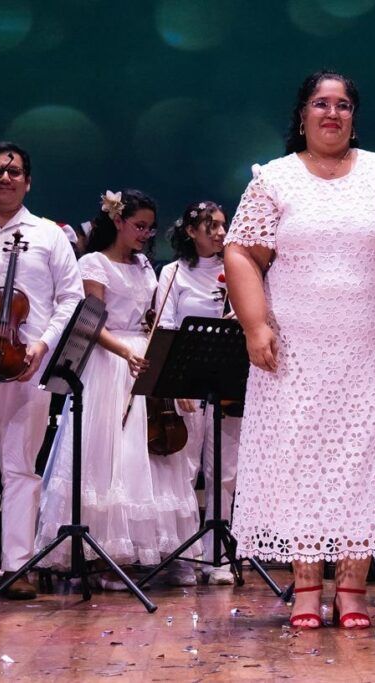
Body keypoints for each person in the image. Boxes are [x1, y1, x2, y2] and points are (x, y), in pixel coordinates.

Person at [223, 70, 375, 629]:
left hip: (370, 347)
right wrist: (255, 325)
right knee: (299, 460)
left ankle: (352, 588)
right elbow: (242, 251)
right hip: (293, 348)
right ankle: (304, 587)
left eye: (343, 105)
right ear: (302, 115)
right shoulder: (274, 178)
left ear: (354, 117)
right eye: (321, 103)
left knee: (361, 461)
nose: (332, 113)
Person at [35, 189, 197, 585]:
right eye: (139, 226)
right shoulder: (94, 263)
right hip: (109, 362)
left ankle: (146, 553)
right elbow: (93, 321)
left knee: (147, 457)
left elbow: (150, 316)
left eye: (150, 228)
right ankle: (103, 556)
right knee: (109, 456)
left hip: (142, 358)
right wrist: (124, 351)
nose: (145, 234)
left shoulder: (144, 266)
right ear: (118, 221)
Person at [0, 142, 84, 602]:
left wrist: (42, 345)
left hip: (28, 364)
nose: (5, 178)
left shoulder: (48, 234)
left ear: (28, 182)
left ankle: (17, 565)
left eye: (14, 172)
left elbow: (71, 298)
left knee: (20, 467)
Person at [153, 201, 233, 586]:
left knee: (225, 472)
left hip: (227, 383)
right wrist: (176, 383)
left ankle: (219, 556)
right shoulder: (172, 273)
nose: (220, 232)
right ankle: (184, 555)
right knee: (184, 470)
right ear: (190, 231)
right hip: (188, 384)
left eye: (222, 225)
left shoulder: (235, 269)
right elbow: (165, 327)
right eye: (210, 226)